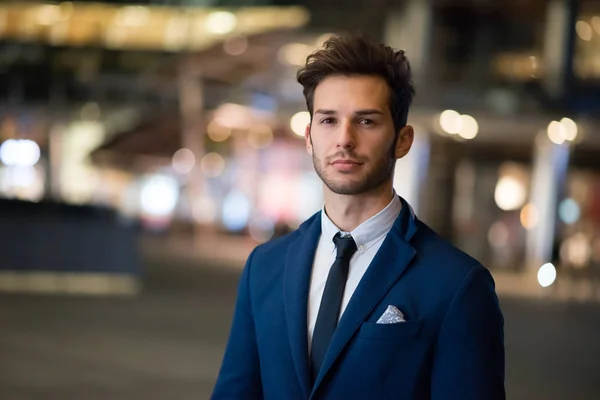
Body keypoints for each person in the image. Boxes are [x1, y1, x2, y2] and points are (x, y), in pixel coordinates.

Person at [212, 33, 505, 400]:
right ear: (309, 137)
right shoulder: (265, 266)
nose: (344, 139)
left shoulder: (457, 284)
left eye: (366, 121)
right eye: (329, 120)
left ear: (403, 140)